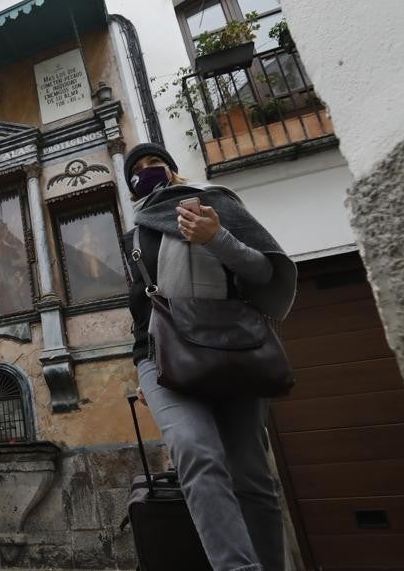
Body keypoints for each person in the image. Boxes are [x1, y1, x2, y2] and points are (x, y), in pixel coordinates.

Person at [123, 142, 297, 571]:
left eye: (155, 163)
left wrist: (215, 237)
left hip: (231, 346)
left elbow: (261, 271)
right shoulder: (136, 232)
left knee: (252, 475)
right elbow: (140, 307)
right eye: (139, 168)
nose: (148, 171)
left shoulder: (215, 203)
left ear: (173, 169)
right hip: (166, 354)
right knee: (195, 452)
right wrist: (144, 367)